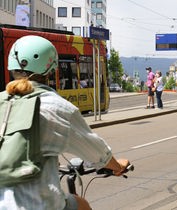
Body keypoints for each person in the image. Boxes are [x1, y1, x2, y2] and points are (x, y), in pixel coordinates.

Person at [0, 35, 130, 210]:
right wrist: (116, 166)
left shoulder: (2, 101)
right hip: (38, 205)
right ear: (52, 70)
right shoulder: (56, 107)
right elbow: (97, 153)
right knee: (81, 205)